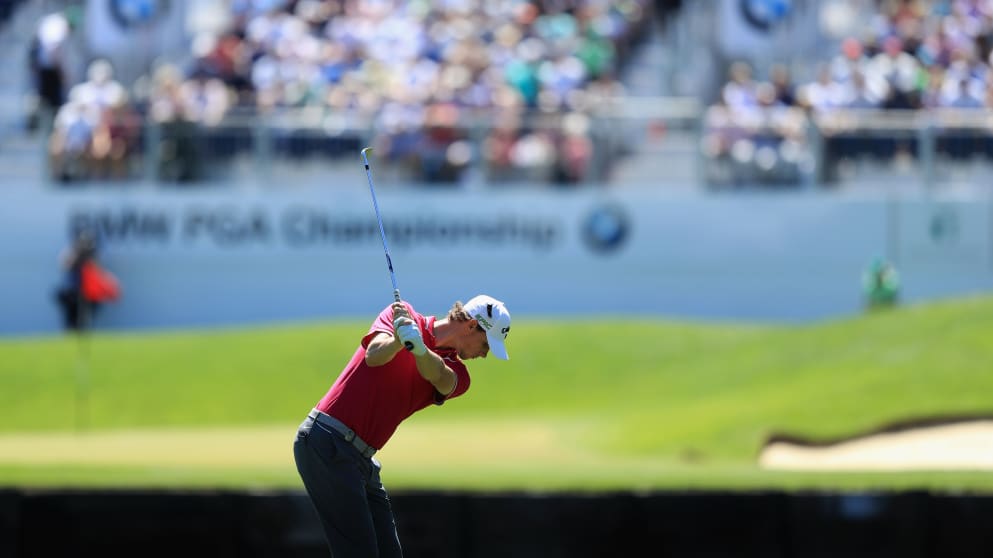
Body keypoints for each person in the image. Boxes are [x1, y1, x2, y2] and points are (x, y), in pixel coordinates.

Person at [294, 294, 512, 557]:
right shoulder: (402, 315)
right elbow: (374, 355)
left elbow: (440, 377)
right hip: (327, 440)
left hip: (360, 459)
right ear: (470, 326)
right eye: (487, 344)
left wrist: (419, 349)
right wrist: (399, 339)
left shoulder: (460, 373)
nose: (485, 354)